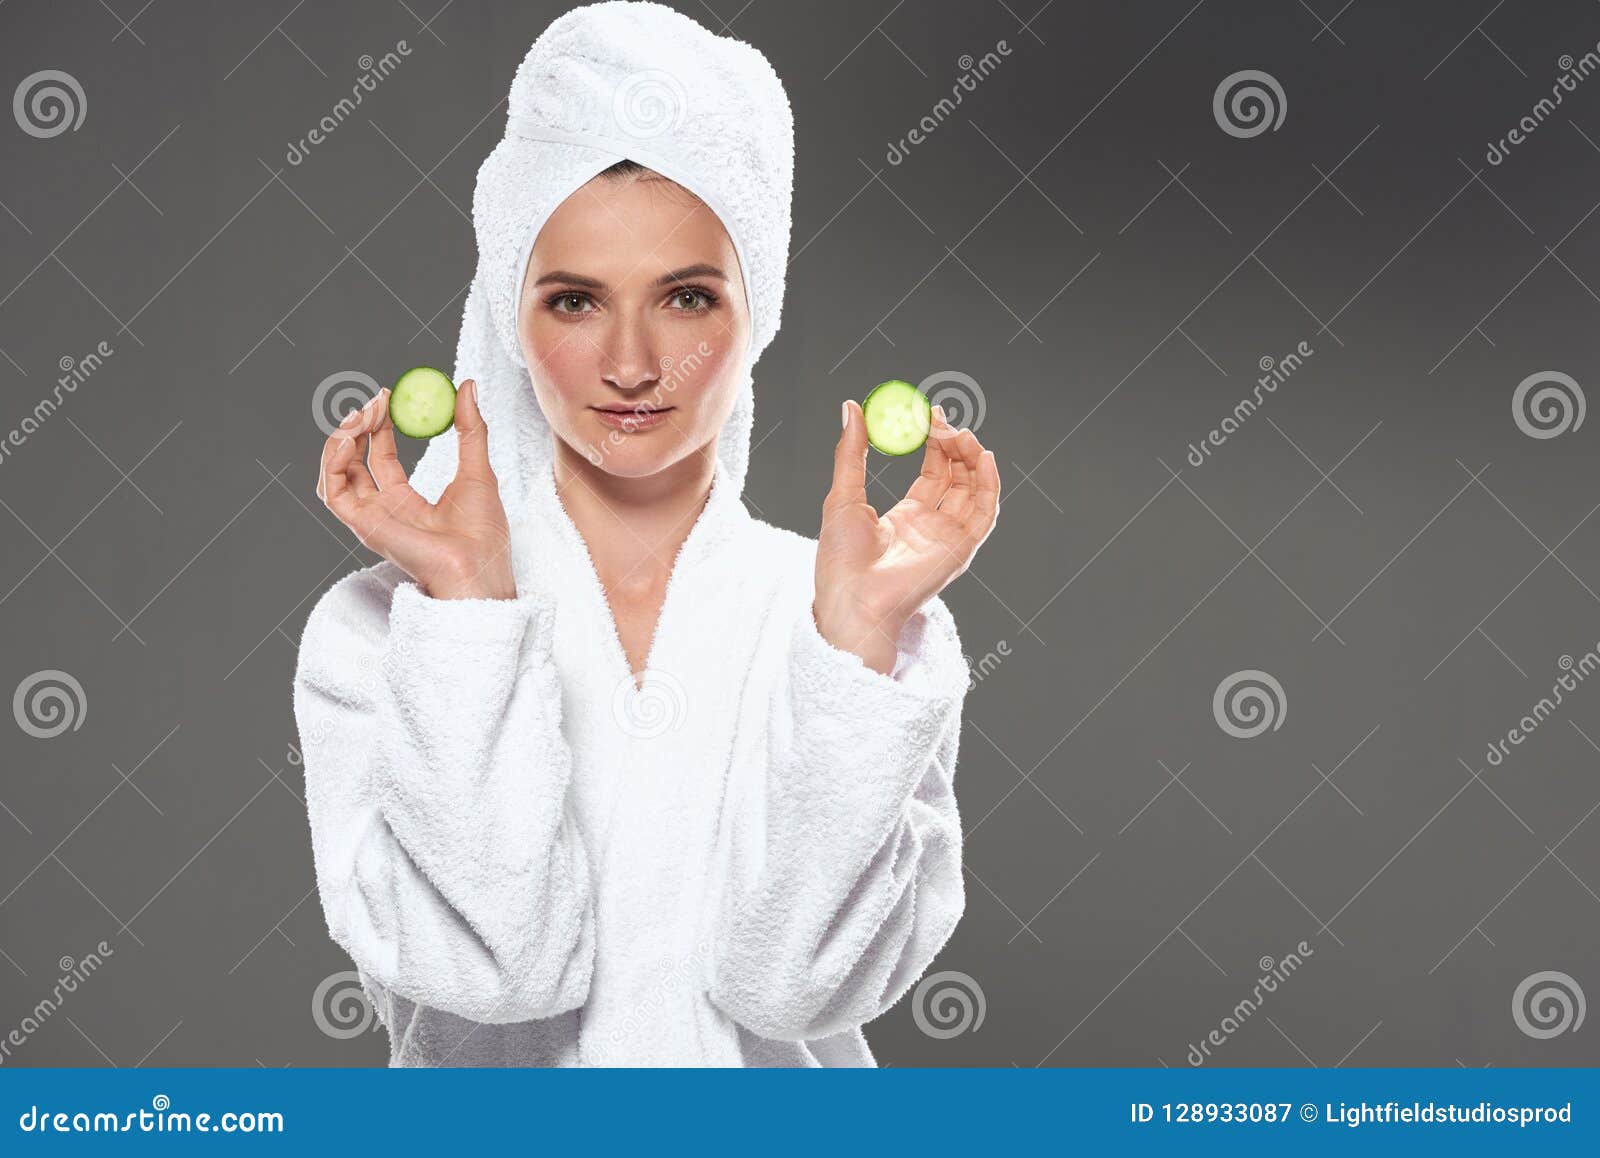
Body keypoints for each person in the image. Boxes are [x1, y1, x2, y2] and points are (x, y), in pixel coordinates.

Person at [293, 0, 1000, 1067]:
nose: (632, 362)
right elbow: (501, 974)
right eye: (574, 301)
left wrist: (852, 647)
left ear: (753, 312)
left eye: (686, 297)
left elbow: (796, 989)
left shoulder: (863, 631)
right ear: (510, 320)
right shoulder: (378, 637)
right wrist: (472, 613)